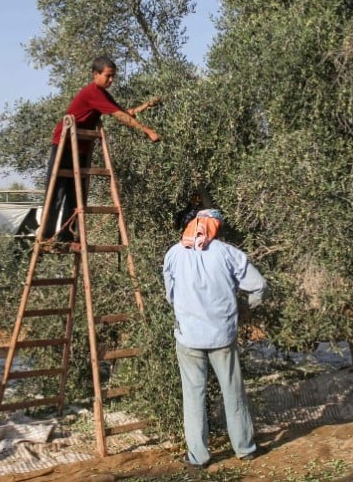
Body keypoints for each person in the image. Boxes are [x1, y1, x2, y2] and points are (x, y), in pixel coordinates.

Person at [162, 209, 266, 468]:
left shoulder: (173, 254)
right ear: (214, 227)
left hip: (188, 339)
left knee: (193, 396)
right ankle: (245, 449)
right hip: (222, 337)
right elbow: (258, 285)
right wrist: (247, 308)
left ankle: (198, 456)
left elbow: (170, 296)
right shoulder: (227, 253)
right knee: (233, 392)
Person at [40, 56, 161, 244]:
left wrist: (146, 105)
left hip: (80, 149)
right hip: (64, 145)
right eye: (108, 76)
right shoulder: (92, 92)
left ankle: (68, 236)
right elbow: (120, 116)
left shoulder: (103, 94)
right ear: (95, 74)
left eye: (113, 77)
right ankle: (46, 237)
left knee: (75, 194)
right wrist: (147, 130)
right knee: (57, 192)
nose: (111, 80)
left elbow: (124, 112)